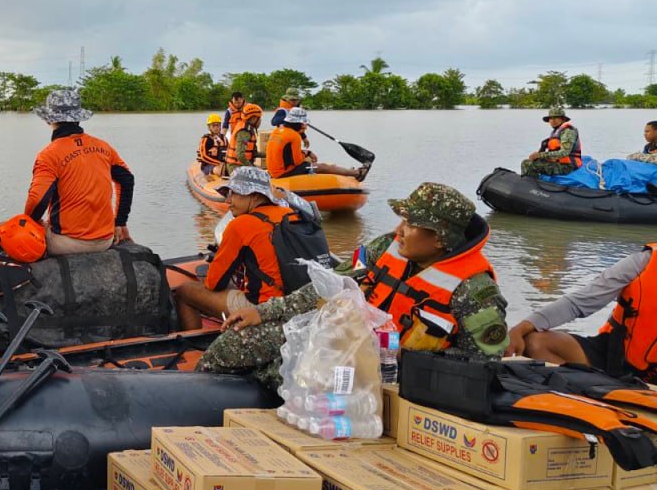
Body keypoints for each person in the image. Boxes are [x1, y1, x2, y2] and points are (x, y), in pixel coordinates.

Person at [198, 183, 509, 388]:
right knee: (234, 344)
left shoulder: (474, 292)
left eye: (411, 225)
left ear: (440, 238)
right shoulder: (384, 248)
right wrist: (264, 312)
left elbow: (484, 363)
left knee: (280, 373)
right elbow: (330, 285)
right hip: (340, 338)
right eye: (402, 220)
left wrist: (402, 358)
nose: (398, 231)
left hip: (387, 373)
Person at [174, 166, 308, 328]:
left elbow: (213, 284)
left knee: (184, 291)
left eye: (234, 194)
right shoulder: (288, 213)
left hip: (262, 307)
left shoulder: (241, 225)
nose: (228, 201)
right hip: (296, 302)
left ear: (255, 196)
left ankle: (193, 346)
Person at [507, 245, 657, 381]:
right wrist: (520, 329)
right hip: (614, 353)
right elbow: (578, 302)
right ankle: (590, 396)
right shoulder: (644, 261)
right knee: (535, 343)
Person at [26, 88, 134, 256]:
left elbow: (37, 201)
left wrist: (28, 224)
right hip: (105, 240)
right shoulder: (103, 146)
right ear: (78, 119)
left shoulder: (49, 155)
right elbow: (127, 180)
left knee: (7, 227)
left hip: (66, 244)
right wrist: (120, 222)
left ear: (49, 120)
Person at [264, 107, 367, 180]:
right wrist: (307, 154)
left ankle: (346, 173)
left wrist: (307, 153)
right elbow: (297, 162)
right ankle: (357, 173)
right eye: (303, 124)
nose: (304, 127)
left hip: (275, 171)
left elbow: (287, 154)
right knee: (323, 167)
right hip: (284, 173)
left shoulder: (277, 131)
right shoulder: (294, 136)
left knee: (313, 164)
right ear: (297, 123)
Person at [521, 105, 582, 176]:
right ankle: (534, 181)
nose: (553, 120)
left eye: (556, 118)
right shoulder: (556, 131)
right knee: (530, 161)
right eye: (551, 118)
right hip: (559, 162)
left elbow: (564, 152)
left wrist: (540, 155)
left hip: (567, 166)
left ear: (562, 119)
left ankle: (532, 185)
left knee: (527, 164)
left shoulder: (568, 131)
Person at [230, 103, 263, 167]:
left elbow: (253, 153)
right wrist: (251, 167)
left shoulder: (248, 129)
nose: (260, 121)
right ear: (253, 119)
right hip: (236, 166)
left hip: (241, 165)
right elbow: (240, 155)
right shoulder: (244, 132)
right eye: (259, 118)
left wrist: (269, 154)